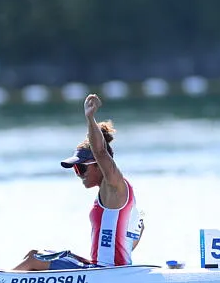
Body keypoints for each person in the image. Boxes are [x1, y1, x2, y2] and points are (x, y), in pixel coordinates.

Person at [14, 93, 144, 271]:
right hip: (101, 267)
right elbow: (133, 237)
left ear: (99, 166)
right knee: (34, 254)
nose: (78, 174)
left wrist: (90, 117)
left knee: (34, 262)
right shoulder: (112, 197)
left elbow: (99, 151)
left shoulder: (115, 186)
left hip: (106, 272)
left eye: (81, 168)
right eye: (76, 170)